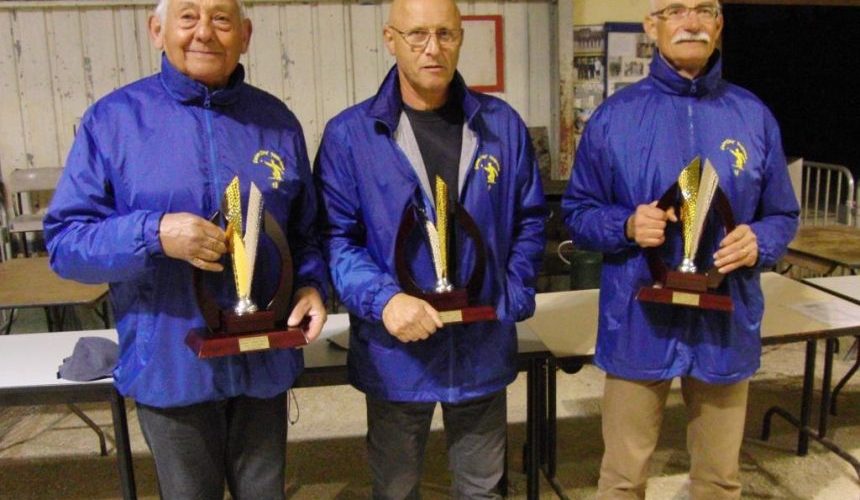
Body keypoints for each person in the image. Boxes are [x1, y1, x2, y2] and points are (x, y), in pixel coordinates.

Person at [44, 0, 327, 498]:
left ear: (245, 34)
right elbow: (66, 243)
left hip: (264, 360)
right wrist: (153, 234)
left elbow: (305, 231)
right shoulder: (113, 122)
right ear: (157, 30)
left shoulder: (276, 121)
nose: (205, 32)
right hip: (171, 364)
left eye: (221, 19)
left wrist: (310, 285)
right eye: (188, 17)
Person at [562, 1, 799, 499]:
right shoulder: (614, 118)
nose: (691, 23)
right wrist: (627, 224)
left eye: (704, 10)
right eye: (675, 10)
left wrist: (760, 240)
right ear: (652, 25)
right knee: (622, 479)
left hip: (725, 321)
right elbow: (578, 213)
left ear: (719, 24)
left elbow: (783, 214)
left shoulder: (753, 116)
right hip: (638, 320)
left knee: (719, 479)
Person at [314, 0, 546, 497]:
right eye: (417, 34)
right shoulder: (350, 137)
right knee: (396, 489)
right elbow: (336, 239)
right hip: (397, 354)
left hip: (482, 345)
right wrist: (385, 301)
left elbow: (529, 219)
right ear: (390, 39)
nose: (432, 48)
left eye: (446, 34)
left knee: (483, 489)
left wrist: (514, 289)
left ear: (461, 38)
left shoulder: (501, 127)